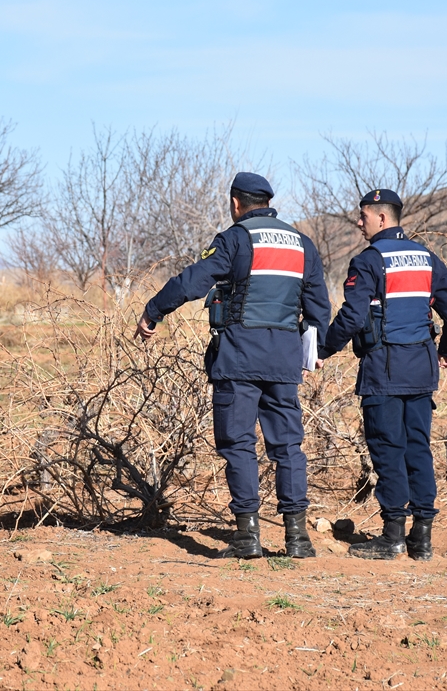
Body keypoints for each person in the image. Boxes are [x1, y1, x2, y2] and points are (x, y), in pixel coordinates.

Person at [135, 172, 331, 559]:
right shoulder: (302, 245)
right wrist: (315, 349)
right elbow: (319, 306)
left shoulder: (236, 238)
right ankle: (298, 538)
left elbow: (191, 281)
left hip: (239, 357)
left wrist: (153, 311)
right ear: (268, 203)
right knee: (288, 446)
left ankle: (247, 536)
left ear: (236, 203)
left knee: (239, 444)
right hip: (284, 360)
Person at [317, 189, 447, 560]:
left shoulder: (368, 261)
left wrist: (322, 350)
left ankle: (392, 536)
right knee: (417, 448)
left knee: (387, 449)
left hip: (384, 371)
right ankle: (422, 538)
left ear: (381, 218)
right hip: (421, 369)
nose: (359, 221)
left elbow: (352, 317)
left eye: (363, 215)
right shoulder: (426, 257)